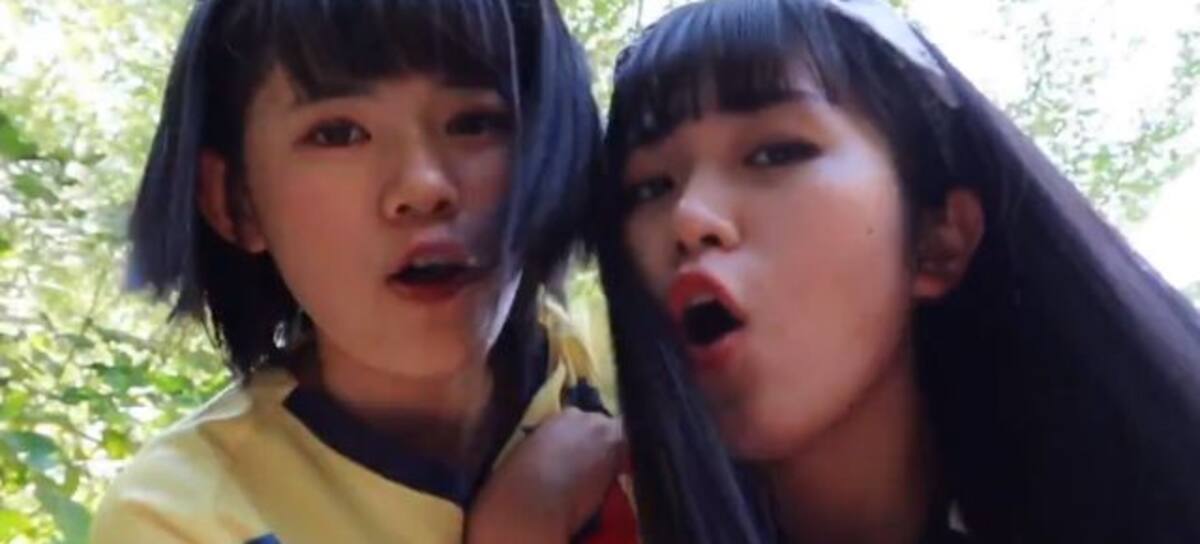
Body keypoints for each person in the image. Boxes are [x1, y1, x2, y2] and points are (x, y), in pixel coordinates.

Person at [590, 0, 1200, 542]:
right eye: (650, 187)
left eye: (775, 153)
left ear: (939, 240)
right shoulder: (579, 514)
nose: (689, 215)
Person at [91, 0, 636, 542]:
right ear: (236, 201)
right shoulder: (180, 515)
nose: (423, 186)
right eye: (338, 133)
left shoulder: (639, 370)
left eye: (474, 122)